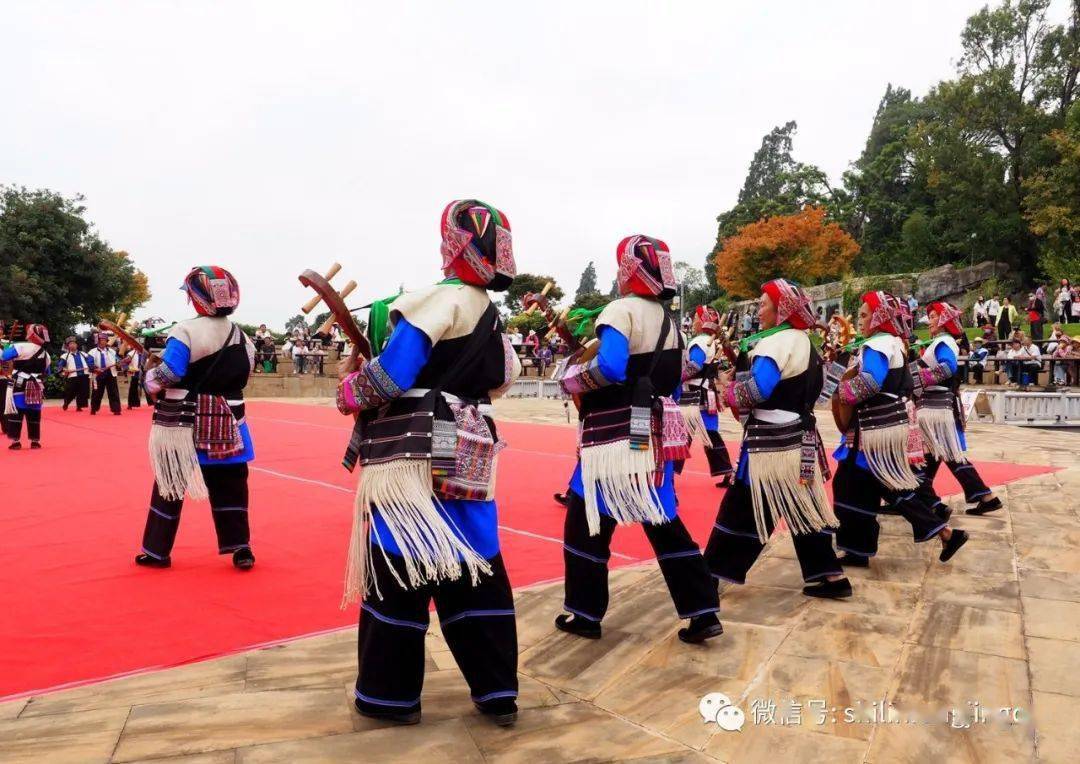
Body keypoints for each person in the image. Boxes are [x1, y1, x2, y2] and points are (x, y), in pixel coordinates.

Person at [336, 199, 522, 727]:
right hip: (470, 448)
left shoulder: (436, 302)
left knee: (400, 565)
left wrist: (349, 391)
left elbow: (393, 376)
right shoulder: (490, 314)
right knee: (476, 564)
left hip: (412, 460)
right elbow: (502, 382)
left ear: (452, 244)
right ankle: (496, 691)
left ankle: (389, 697)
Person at [555, 234, 722, 645]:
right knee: (664, 523)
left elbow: (611, 366)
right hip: (653, 436)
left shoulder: (619, 310)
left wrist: (571, 379)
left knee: (585, 522)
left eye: (619, 268)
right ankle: (702, 611)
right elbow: (675, 381)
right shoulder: (671, 324)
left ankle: (585, 614)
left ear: (630, 272)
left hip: (611, 441)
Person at [703, 280, 847, 599]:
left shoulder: (775, 344)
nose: (759, 310)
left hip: (771, 444)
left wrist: (730, 392)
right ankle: (831, 576)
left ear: (781, 310)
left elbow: (759, 390)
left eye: (764, 304)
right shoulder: (804, 342)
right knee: (802, 505)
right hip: (800, 437)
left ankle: (709, 574)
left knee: (741, 507)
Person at [832, 292, 969, 568]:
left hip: (875, 431)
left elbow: (870, 383)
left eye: (864, 315)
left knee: (856, 485)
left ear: (879, 317)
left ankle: (861, 549)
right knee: (879, 487)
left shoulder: (879, 344)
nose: (860, 321)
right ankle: (942, 534)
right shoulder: (889, 342)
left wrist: (841, 392)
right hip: (880, 427)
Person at [136, 266, 256, 571]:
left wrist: (149, 378)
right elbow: (245, 375)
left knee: (170, 484)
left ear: (197, 298)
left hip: (184, 423)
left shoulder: (185, 330)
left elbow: (171, 372)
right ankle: (241, 548)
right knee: (232, 485)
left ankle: (157, 551)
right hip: (229, 420)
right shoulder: (242, 336)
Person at [913, 302, 1003, 517]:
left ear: (944, 320)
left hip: (937, 408)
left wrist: (916, 377)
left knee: (947, 455)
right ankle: (920, 497)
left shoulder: (943, 342)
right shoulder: (941, 341)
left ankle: (984, 496)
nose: (930, 321)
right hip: (937, 406)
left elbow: (948, 367)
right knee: (935, 455)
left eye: (934, 317)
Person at [681, 305, 734, 486]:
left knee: (683, 433)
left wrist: (677, 377)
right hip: (708, 392)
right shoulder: (712, 343)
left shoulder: (700, 342)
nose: (694, 321)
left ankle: (669, 472)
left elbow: (694, 365)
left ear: (703, 321)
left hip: (695, 393)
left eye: (697, 317)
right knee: (710, 433)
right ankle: (727, 470)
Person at [2, 323, 51, 449]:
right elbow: (47, 372)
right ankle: (35, 441)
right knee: (34, 412)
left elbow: (4, 356)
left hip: (19, 384)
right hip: (36, 385)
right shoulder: (46, 354)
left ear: (30, 334)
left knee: (16, 412)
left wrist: (7, 348)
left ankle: (15, 442)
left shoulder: (20, 346)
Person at [88, 332, 122, 415]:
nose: (103, 342)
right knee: (97, 393)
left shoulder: (112, 351)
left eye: (104, 340)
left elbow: (118, 361)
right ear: (98, 341)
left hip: (110, 373)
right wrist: (96, 369)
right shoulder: (92, 352)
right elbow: (90, 363)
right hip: (98, 374)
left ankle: (116, 409)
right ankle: (94, 409)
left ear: (107, 341)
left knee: (113, 392)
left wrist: (119, 364)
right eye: (101, 340)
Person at [57, 336, 92, 411]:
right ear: (68, 346)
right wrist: (64, 371)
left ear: (77, 345)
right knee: (70, 391)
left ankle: (79, 406)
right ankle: (66, 403)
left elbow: (90, 362)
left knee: (82, 391)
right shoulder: (65, 356)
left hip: (84, 374)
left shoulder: (83, 354)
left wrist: (91, 367)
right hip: (72, 376)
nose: (72, 345)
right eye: (70, 344)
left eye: (74, 343)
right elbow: (60, 367)